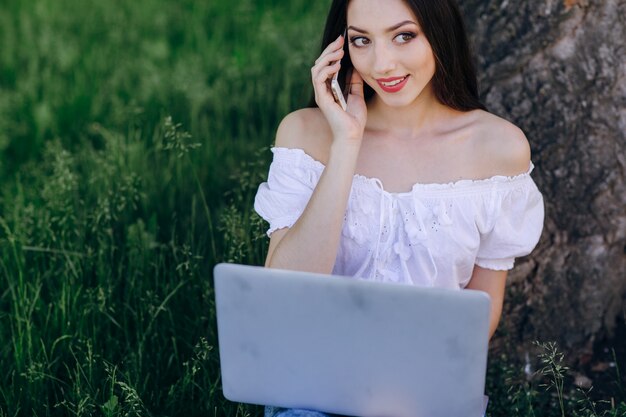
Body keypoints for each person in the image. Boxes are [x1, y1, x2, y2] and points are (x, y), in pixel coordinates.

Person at [253, 0, 544, 415]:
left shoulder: (498, 149)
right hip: (313, 384)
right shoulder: (304, 133)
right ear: (341, 48)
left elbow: (481, 310)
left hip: (423, 389)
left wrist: (411, 383)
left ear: (438, 32)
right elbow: (284, 295)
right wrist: (346, 144)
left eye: (404, 35)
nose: (382, 63)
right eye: (361, 41)